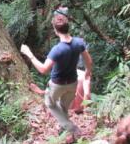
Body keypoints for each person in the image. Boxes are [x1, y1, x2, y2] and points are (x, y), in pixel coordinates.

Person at [20, 8, 93, 136]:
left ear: (55, 30)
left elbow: (43, 69)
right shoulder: (79, 43)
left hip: (57, 84)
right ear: (68, 28)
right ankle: (63, 128)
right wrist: (87, 72)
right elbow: (89, 60)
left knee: (49, 102)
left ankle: (71, 127)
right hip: (73, 83)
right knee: (64, 106)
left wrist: (29, 54)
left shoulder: (57, 49)